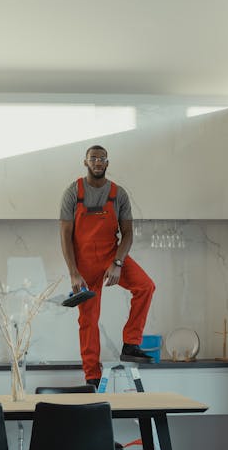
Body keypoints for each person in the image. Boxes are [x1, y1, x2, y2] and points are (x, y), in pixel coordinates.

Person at [60, 145, 156, 387]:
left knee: (145, 286)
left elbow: (128, 233)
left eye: (102, 159)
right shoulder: (73, 192)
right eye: (93, 158)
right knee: (88, 320)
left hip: (111, 255)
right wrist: (74, 272)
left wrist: (118, 263)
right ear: (85, 162)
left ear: (107, 163)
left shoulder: (118, 194)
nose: (98, 162)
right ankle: (92, 374)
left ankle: (131, 344)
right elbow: (65, 235)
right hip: (84, 263)